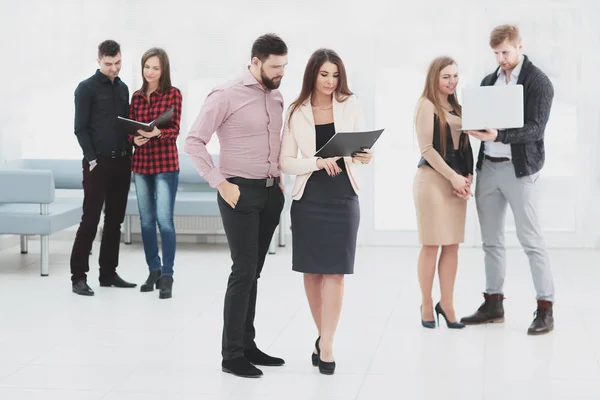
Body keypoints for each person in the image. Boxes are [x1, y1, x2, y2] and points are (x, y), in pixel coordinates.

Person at [184, 33, 287, 378]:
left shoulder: (277, 98)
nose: (281, 73)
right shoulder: (225, 94)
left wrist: (280, 184)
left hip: (271, 194)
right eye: (275, 67)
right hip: (238, 192)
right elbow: (194, 141)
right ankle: (231, 356)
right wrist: (220, 183)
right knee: (243, 271)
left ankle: (248, 345)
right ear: (256, 62)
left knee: (254, 271)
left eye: (285, 66)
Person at [280, 48, 372, 375]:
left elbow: (360, 150)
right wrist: (317, 162)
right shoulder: (296, 111)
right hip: (310, 196)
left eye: (335, 75)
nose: (331, 81)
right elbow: (285, 162)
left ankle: (328, 344)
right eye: (324, 74)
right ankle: (322, 335)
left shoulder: (351, 104)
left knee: (335, 270)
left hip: (344, 195)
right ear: (313, 75)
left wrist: (363, 156)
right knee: (312, 271)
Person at [461, 24, 555, 335]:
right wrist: (474, 129)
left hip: (519, 171)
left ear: (519, 47)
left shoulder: (538, 82)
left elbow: (535, 129)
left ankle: (545, 308)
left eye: (506, 52)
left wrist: (498, 134)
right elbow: (480, 122)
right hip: (488, 167)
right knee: (491, 242)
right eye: (496, 53)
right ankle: (493, 304)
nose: (501, 58)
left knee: (531, 240)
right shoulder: (489, 81)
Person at [70, 40, 136, 296]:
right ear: (99, 61)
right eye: (109, 64)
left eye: (118, 63)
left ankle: (108, 273)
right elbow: (80, 128)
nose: (114, 68)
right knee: (90, 220)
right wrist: (92, 159)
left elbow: (124, 124)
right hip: (98, 164)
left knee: (114, 221)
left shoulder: (123, 89)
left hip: (122, 162)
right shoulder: (85, 89)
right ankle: (78, 277)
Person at [413, 56, 473, 330]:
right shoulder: (426, 105)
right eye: (446, 76)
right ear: (434, 77)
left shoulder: (458, 107)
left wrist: (467, 178)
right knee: (431, 244)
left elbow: (465, 145)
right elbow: (427, 149)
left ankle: (446, 304)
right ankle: (427, 303)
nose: (452, 81)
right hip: (434, 181)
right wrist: (452, 177)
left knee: (452, 244)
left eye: (456, 76)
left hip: (456, 182)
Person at [128, 48, 183, 299]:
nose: (150, 72)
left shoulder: (174, 94)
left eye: (155, 68)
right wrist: (135, 139)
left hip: (165, 165)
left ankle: (168, 275)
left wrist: (156, 133)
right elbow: (129, 129)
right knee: (147, 222)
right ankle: (154, 270)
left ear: (164, 70)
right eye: (146, 67)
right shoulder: (137, 97)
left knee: (164, 221)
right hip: (140, 165)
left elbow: (174, 130)